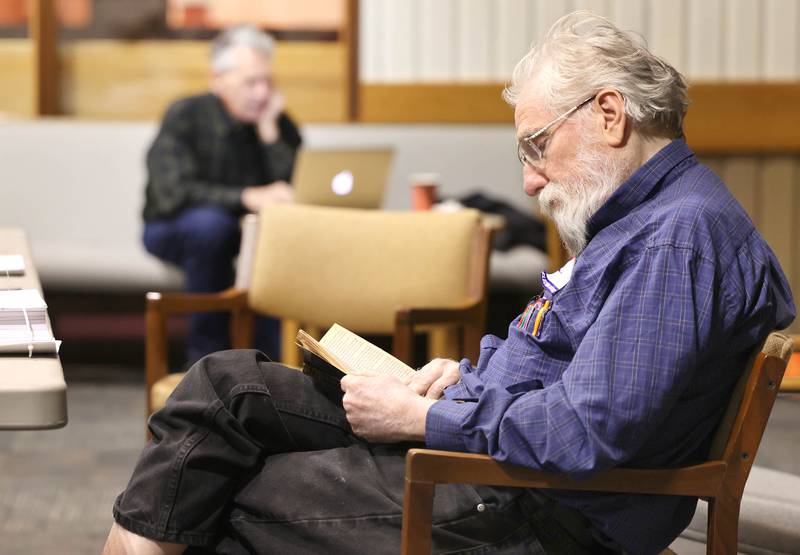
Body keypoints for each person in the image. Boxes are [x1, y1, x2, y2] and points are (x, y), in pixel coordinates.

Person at [105, 11, 795, 555]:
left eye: (536, 146)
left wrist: (427, 416)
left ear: (610, 115)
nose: (529, 179)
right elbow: (568, 369)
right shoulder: (644, 220)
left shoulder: (676, 239)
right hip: (502, 455)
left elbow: (591, 430)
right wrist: (461, 376)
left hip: (542, 507)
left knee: (228, 489)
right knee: (229, 387)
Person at [142, 25, 301, 364]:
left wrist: (270, 132)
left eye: (267, 82)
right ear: (218, 79)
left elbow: (294, 190)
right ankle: (206, 359)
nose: (261, 93)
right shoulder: (186, 115)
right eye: (251, 83)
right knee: (211, 226)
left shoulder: (274, 122)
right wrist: (246, 197)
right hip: (173, 229)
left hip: (247, 238)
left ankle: (270, 363)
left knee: (275, 239)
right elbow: (173, 192)